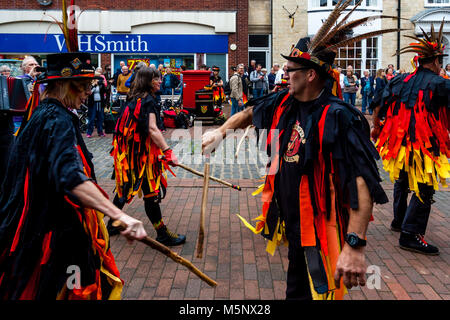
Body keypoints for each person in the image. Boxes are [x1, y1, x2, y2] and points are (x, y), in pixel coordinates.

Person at [202, 2, 394, 300]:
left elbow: (361, 181)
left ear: (311, 75)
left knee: (317, 293)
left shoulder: (340, 117)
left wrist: (355, 245)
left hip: (322, 230)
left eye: (290, 70)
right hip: (294, 228)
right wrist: (219, 132)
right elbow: (250, 113)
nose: (284, 75)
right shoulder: (283, 102)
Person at [0, 52, 146, 300]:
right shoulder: (56, 120)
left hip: (42, 232)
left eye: (90, 86)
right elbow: (70, 176)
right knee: (73, 288)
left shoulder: (44, 114)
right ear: (65, 85)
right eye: (84, 86)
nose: (89, 92)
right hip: (56, 237)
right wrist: (120, 215)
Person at [371, 21, 450, 255]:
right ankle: (410, 234)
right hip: (424, 145)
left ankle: (399, 221)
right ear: (435, 61)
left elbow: (379, 103)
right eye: (440, 62)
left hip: (400, 144)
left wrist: (376, 125)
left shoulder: (399, 79)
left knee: (402, 181)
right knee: (424, 187)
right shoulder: (440, 83)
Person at [107, 66, 186, 246]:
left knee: (125, 188)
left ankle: (112, 223)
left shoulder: (134, 98)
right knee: (150, 193)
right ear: (148, 82)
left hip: (130, 155)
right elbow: (152, 129)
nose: (159, 82)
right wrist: (168, 151)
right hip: (140, 157)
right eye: (156, 79)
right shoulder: (148, 100)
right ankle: (162, 234)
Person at [86, 71, 107, 138]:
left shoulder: (101, 84)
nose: (98, 79)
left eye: (99, 78)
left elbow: (105, 91)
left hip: (100, 103)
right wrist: (95, 85)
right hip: (93, 103)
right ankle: (89, 132)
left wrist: (103, 85)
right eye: (97, 78)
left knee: (100, 118)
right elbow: (90, 92)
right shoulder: (90, 84)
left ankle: (100, 132)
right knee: (91, 118)